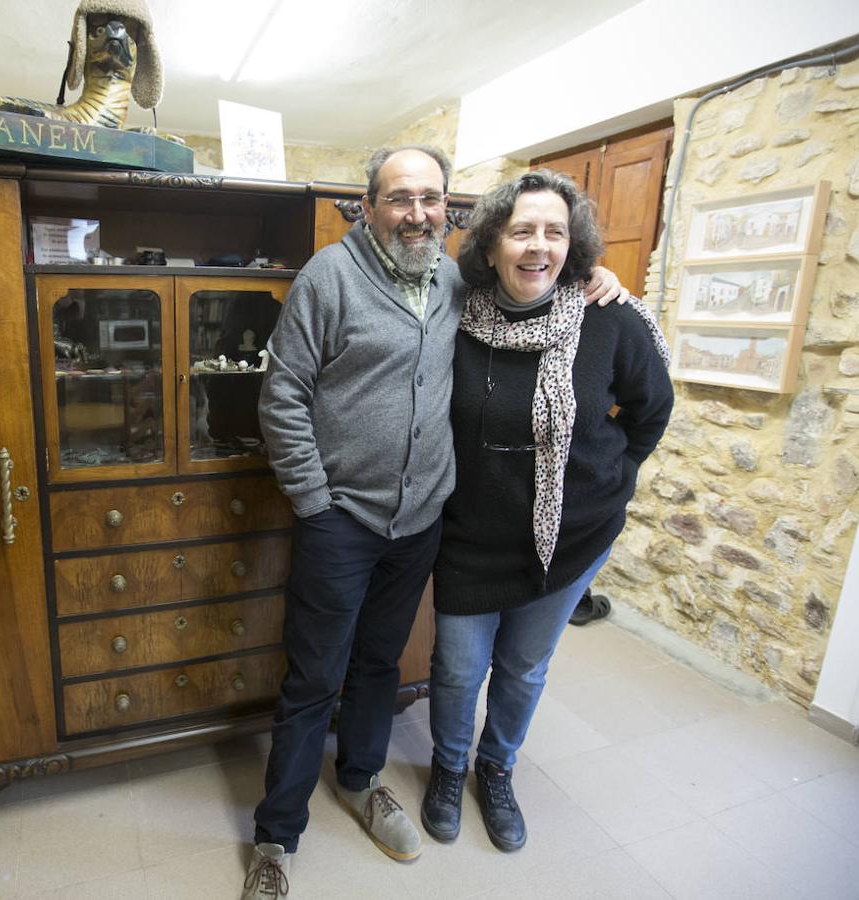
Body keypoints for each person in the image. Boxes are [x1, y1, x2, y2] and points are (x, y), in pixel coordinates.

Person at [242, 147, 627, 899]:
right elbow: (281, 396)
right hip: (341, 519)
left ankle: (360, 779)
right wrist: (314, 500)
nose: (418, 213)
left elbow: (537, 287)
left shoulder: (456, 279)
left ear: (449, 208)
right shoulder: (330, 277)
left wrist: (594, 277)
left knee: (381, 665)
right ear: (368, 204)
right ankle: (276, 834)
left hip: (419, 521)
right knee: (314, 677)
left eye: (432, 199)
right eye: (400, 197)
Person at [419, 169, 674, 853]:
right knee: (456, 668)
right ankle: (447, 767)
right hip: (470, 534)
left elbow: (653, 411)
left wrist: (611, 478)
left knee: (525, 668)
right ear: (495, 241)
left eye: (555, 232)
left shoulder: (608, 318)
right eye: (523, 230)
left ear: (573, 244)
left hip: (569, 538)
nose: (539, 246)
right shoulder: (456, 314)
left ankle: (495, 770)